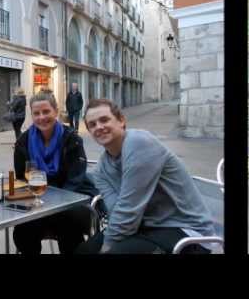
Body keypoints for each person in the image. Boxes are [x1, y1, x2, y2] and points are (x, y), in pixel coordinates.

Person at [76, 99, 215, 254]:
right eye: (92, 124)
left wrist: (107, 247)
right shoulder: (101, 169)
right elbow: (117, 212)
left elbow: (127, 211)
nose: (99, 127)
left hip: (186, 231)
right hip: (142, 227)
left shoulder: (139, 143)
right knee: (84, 250)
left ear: (121, 120)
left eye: (104, 120)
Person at [12, 91, 98, 254]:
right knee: (22, 231)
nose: (41, 117)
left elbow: (75, 179)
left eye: (46, 111)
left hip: (70, 199)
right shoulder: (23, 141)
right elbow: (22, 178)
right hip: (38, 201)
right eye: (36, 113)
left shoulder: (71, 138)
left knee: (66, 223)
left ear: (56, 112)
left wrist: (53, 205)